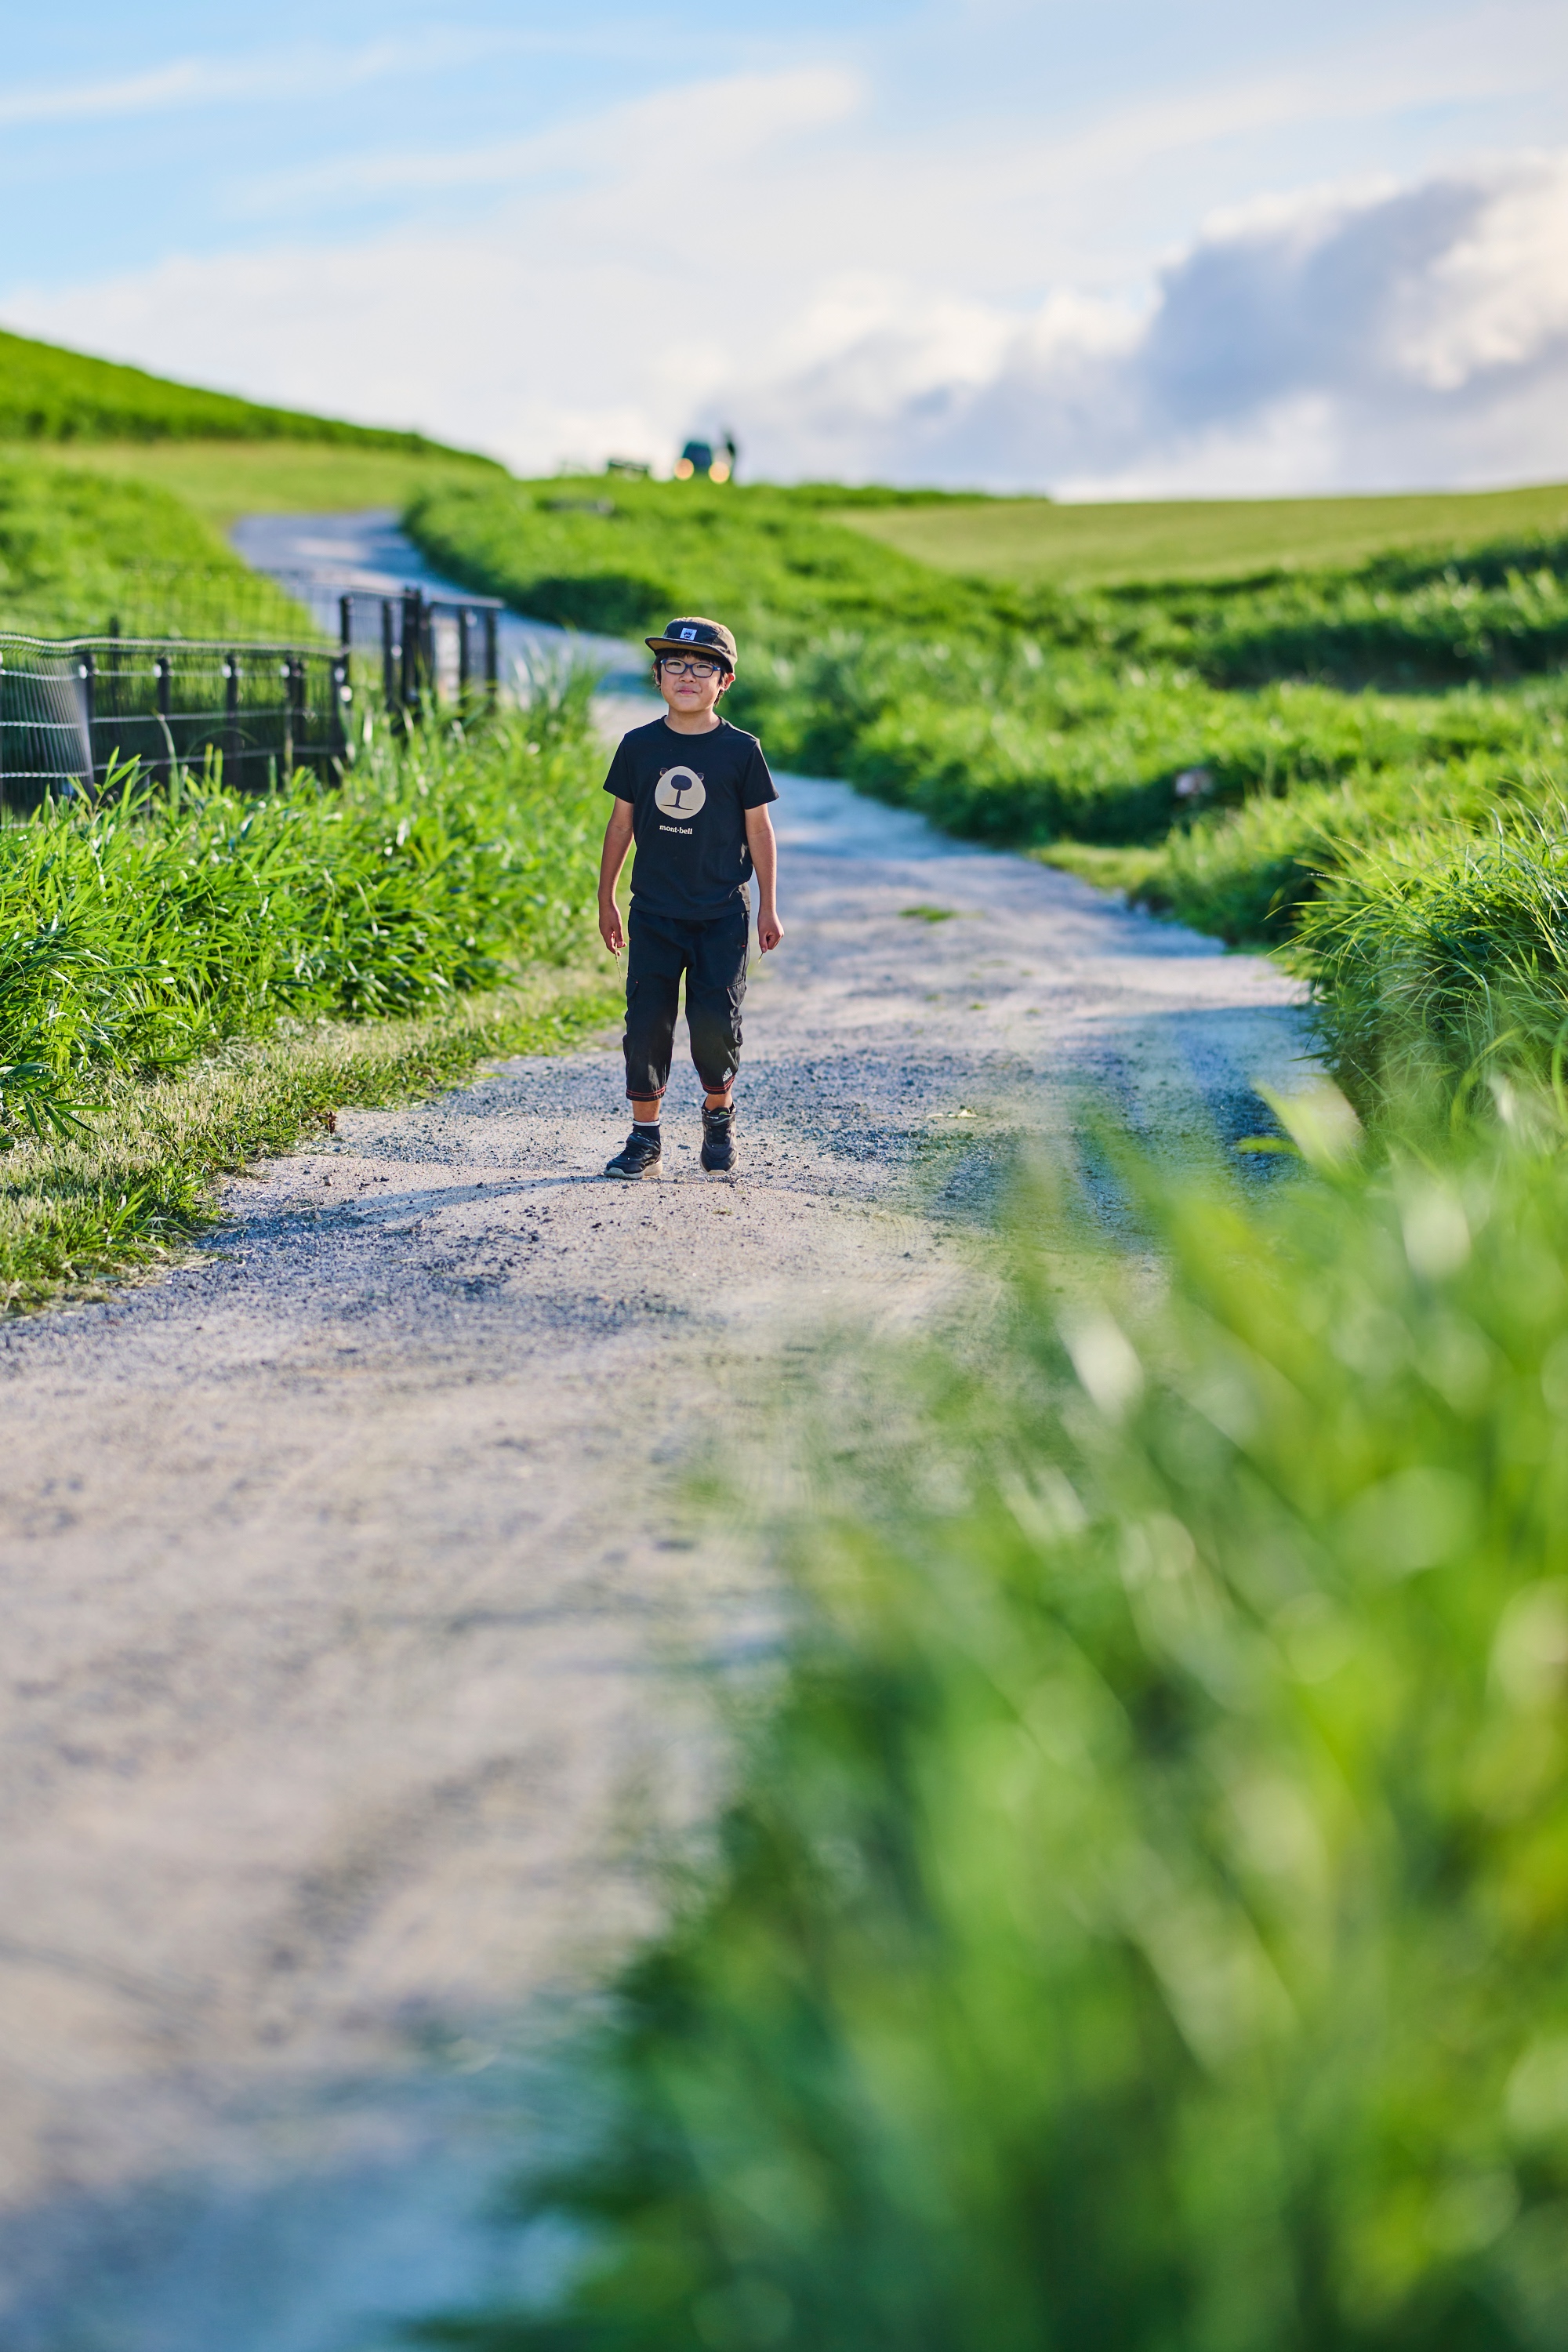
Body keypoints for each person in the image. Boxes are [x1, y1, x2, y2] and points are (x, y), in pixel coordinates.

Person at [597, 616, 783, 1178]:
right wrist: (605, 897)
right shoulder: (638, 747)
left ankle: (718, 1114)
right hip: (653, 912)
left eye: (703, 667)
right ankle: (644, 1139)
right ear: (657, 677)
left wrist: (768, 905)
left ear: (724, 682)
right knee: (647, 1022)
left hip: (722, 913)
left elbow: (760, 831)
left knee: (714, 1024)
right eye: (675, 664)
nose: (687, 675)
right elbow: (620, 825)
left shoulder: (740, 751)